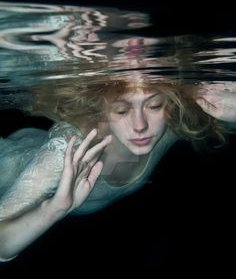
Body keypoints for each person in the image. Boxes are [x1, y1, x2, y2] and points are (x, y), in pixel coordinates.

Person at [0, 74, 235, 262]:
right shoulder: (67, 154)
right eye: (121, 111)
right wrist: (51, 210)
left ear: (170, 106)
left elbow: (220, 115)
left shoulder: (170, 123)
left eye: (153, 106)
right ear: (101, 110)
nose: (140, 126)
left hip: (31, 140)